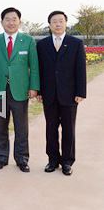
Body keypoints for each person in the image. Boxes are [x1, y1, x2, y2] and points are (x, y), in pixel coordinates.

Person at [0, 7, 39, 172]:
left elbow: (34, 67)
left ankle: (22, 159)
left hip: (20, 89)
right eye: (7, 19)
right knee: (0, 126)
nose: (11, 22)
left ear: (19, 21)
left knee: (21, 127)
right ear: (1, 22)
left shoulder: (28, 40)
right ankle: (1, 158)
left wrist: (34, 87)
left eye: (14, 19)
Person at [37, 11, 86, 176]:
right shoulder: (42, 44)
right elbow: (39, 70)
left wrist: (81, 92)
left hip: (70, 94)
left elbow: (80, 69)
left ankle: (67, 162)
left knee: (68, 129)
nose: (58, 24)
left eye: (61, 21)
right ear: (49, 25)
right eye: (54, 21)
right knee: (50, 128)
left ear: (66, 23)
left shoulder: (75, 43)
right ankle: (52, 160)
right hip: (48, 94)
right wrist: (38, 91)